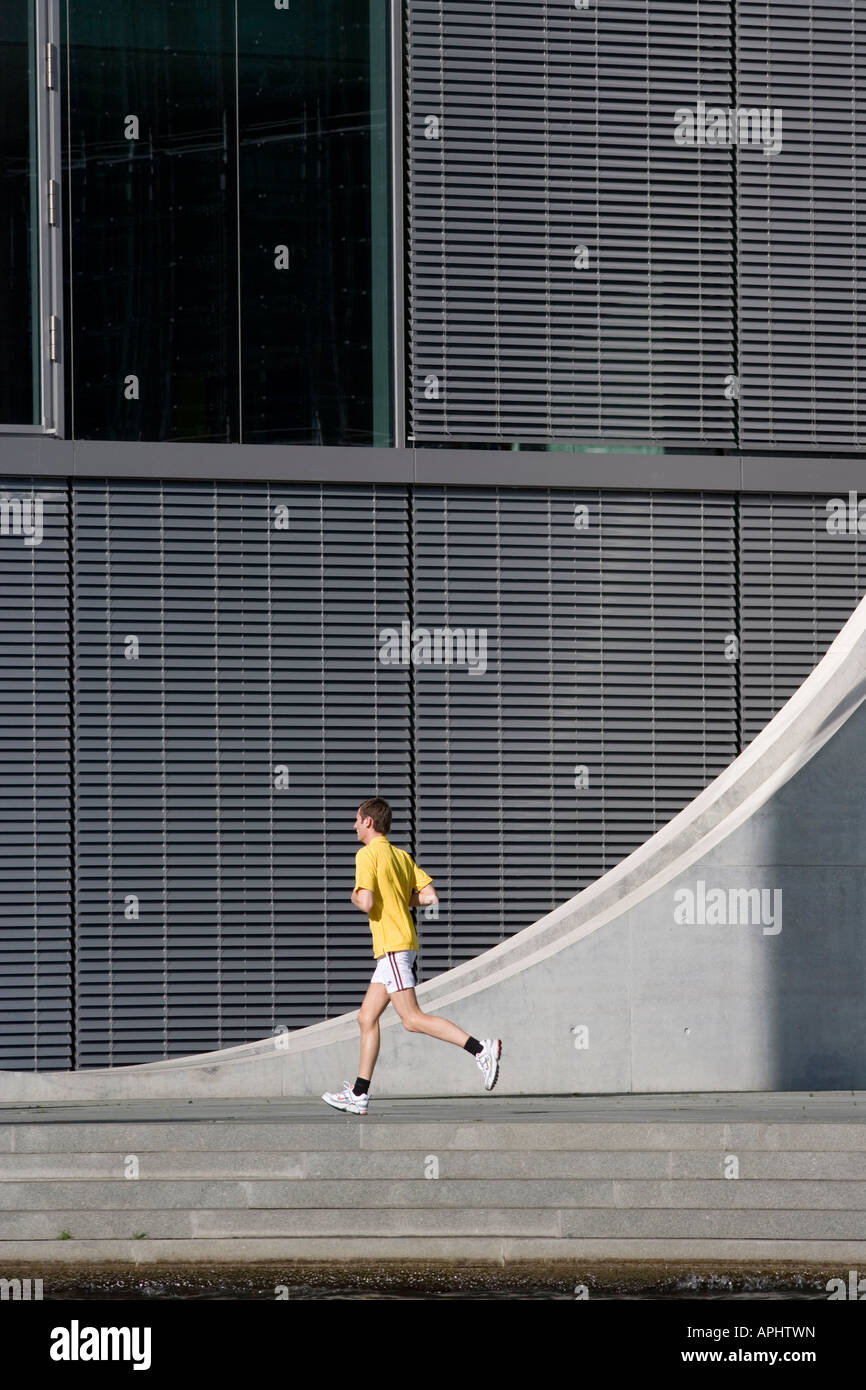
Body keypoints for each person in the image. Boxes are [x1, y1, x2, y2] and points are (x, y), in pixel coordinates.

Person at [322, 796, 502, 1114]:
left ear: (368, 821)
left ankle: (480, 1048)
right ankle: (359, 1094)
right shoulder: (401, 856)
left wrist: (355, 895)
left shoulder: (366, 855)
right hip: (400, 946)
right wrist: (396, 899)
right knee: (367, 1018)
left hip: (392, 946)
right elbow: (430, 896)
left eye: (356, 819)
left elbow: (364, 902)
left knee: (412, 1019)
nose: (353, 825)